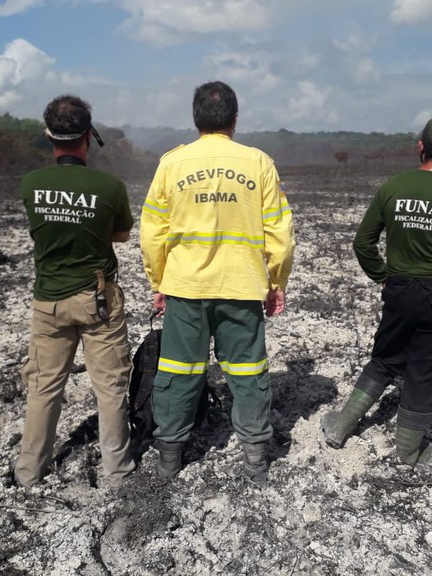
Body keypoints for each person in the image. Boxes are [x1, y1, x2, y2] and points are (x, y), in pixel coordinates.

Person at [139, 81, 295, 485]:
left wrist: (159, 281)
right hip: (242, 287)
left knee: (178, 371)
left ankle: (170, 460)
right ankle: (255, 462)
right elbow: (280, 230)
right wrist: (276, 281)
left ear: (195, 119)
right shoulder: (258, 162)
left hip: (186, 288)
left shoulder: (172, 164)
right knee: (247, 372)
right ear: (235, 119)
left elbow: (152, 232)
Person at [321, 115, 432, 465]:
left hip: (398, 292)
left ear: (419, 147)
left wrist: (383, 275)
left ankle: (340, 426)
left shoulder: (393, 188)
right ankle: (408, 450)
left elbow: (362, 244)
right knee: (425, 371)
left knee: (385, 358)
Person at [14, 95, 135, 488]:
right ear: (88, 136)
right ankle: (116, 473)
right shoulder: (109, 186)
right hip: (98, 301)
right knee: (111, 387)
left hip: (48, 303)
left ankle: (30, 472)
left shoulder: (31, 185)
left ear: (48, 136)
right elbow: (120, 233)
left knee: (43, 388)